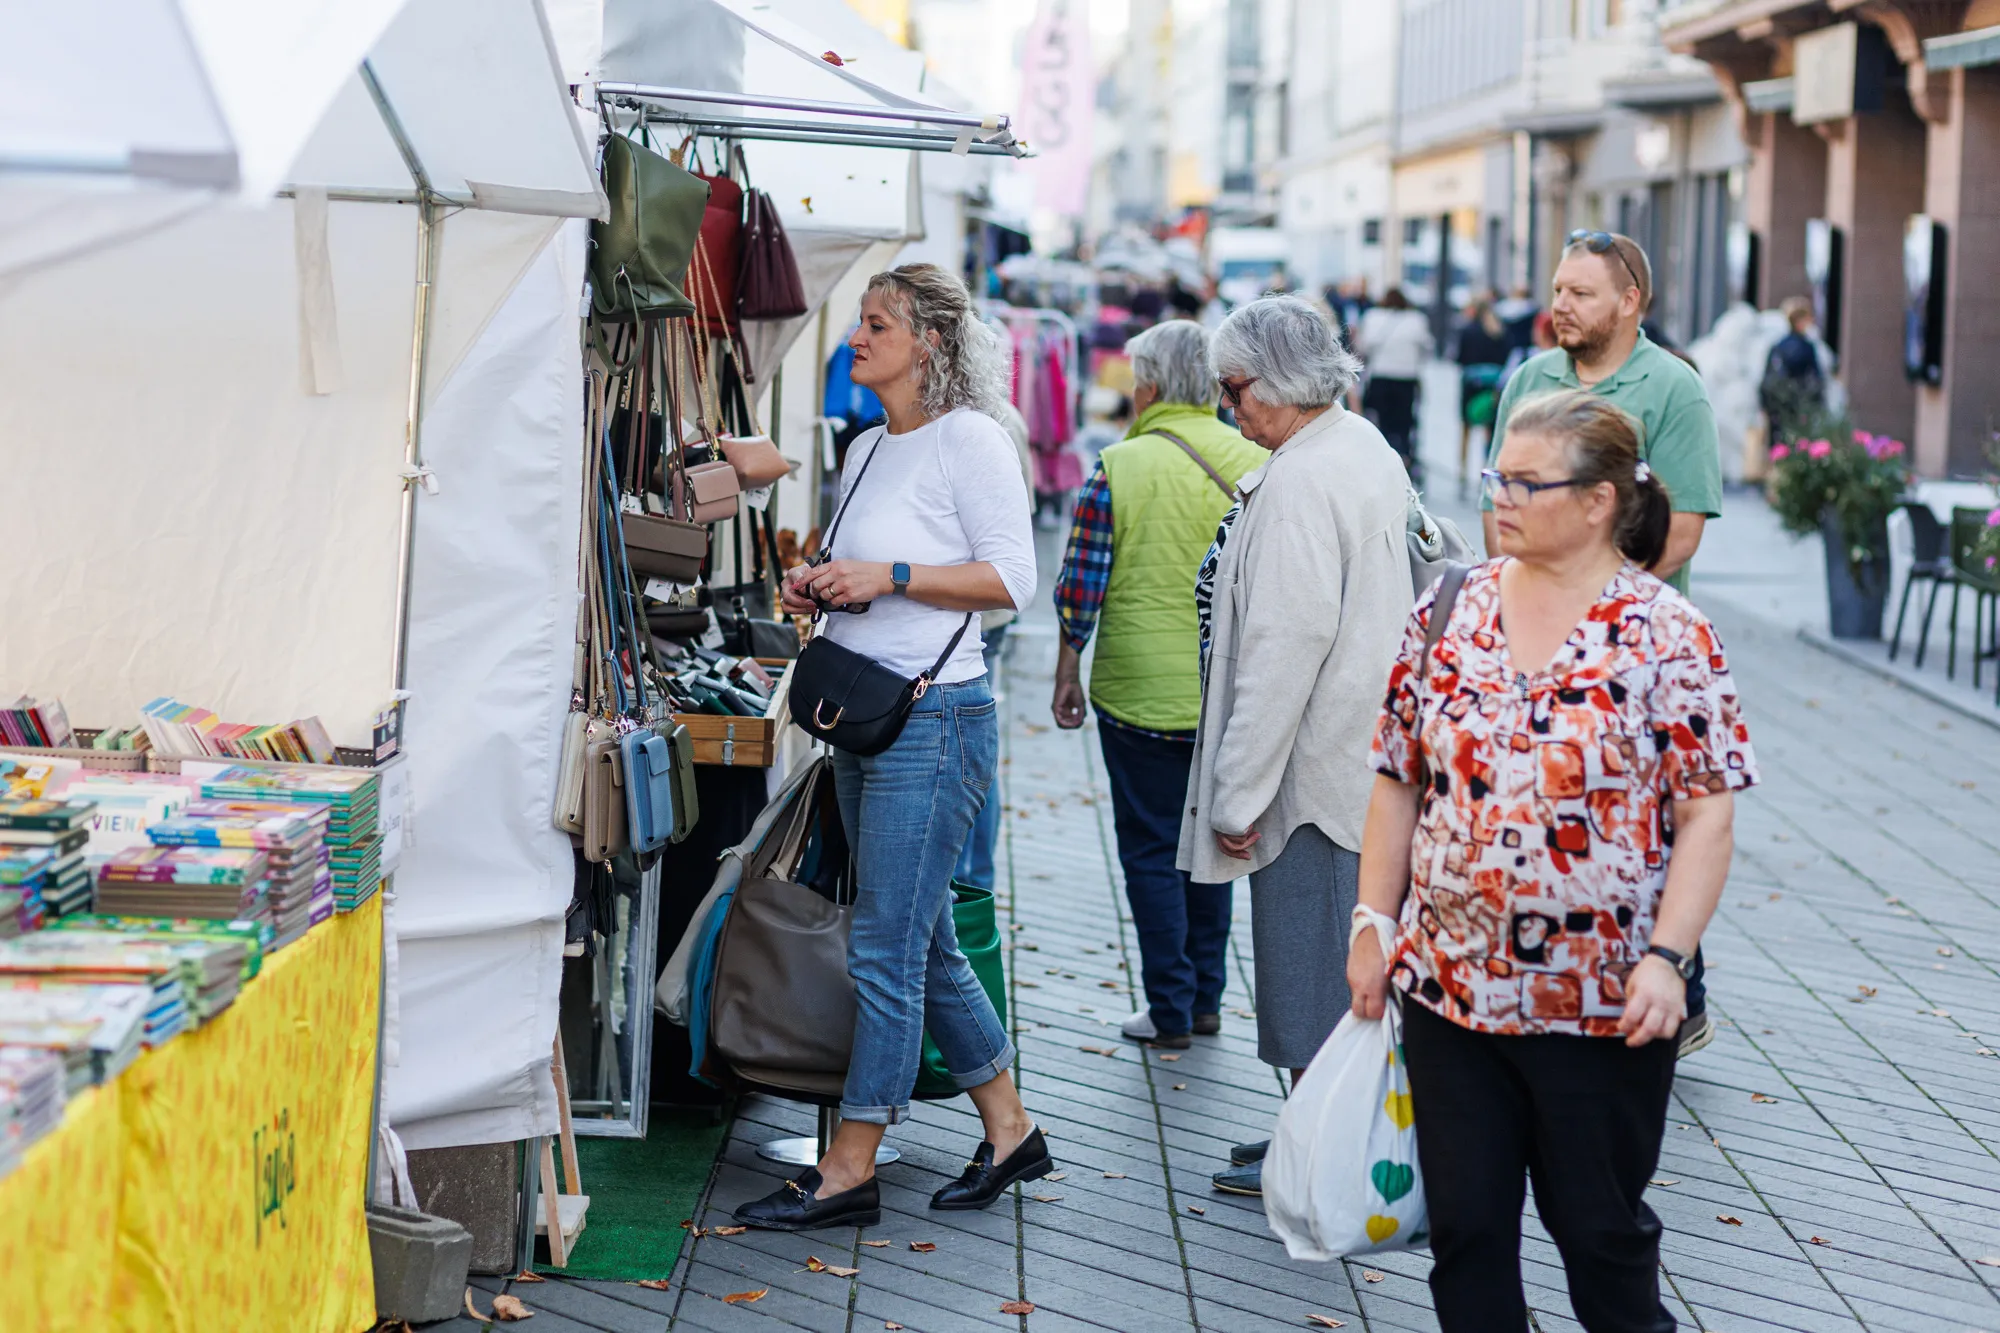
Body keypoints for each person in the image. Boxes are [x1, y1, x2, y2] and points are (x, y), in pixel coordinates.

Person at [1351, 389, 1756, 1332]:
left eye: (1529, 482)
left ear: (1600, 501)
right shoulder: (1449, 607)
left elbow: (1707, 816)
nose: (1502, 496)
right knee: (1468, 1239)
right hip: (1451, 990)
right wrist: (1373, 923)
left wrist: (1669, 956)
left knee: (1601, 1239)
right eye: (1499, 476)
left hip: (1603, 1003)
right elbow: (1397, 780)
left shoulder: (1666, 633)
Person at [738, 264, 1048, 1231]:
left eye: (877, 324)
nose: (857, 337)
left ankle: (851, 1162)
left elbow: (1012, 578)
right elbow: (860, 572)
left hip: (936, 719)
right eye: (861, 322)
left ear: (931, 344)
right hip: (867, 715)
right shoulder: (870, 445)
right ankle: (1011, 1129)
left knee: (884, 943)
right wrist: (821, 585)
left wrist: (895, 573)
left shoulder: (973, 441)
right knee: (923, 940)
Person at [1176, 295, 1415, 1196]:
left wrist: (1237, 794)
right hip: (1359, 757)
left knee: (1310, 974)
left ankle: (1323, 1157)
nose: (1230, 407)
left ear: (1278, 382)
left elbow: (1281, 648)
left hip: (1318, 770)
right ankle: (1313, 1134)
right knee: (1325, 964)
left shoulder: (1303, 480)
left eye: (1235, 388)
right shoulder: (1359, 445)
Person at [1479, 231, 1725, 1055]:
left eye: (1581, 293)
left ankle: (1672, 981)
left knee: (1640, 818)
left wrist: (1592, 601)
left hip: (1630, 655)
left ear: (1630, 302)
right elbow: (1496, 507)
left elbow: (1682, 529)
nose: (1561, 305)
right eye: (1557, 288)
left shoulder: (1673, 389)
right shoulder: (1531, 378)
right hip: (1526, 638)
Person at [1050, 320, 1267, 1051]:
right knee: (1215, 837)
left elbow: (1081, 584)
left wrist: (1065, 670)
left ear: (1147, 385)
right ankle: (1207, 997)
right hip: (1226, 693)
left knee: (1149, 848)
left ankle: (1169, 1007)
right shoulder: (1256, 461)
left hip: (1136, 693)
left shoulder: (1120, 463)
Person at [953, 402, 1035, 893]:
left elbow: (1012, 525)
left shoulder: (992, 424)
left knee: (970, 748)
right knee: (974, 747)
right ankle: (975, 883)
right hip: (984, 614)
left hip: (978, 611)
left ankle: (974, 884)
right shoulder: (1008, 418)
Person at [1353, 287, 1434, 483]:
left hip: (1380, 377)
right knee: (1405, 422)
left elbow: (1363, 347)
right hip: (1406, 378)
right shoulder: (1416, 320)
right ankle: (1404, 458)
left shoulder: (1373, 317)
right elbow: (1427, 349)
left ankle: (1381, 456)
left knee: (1380, 421)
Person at [1453, 294, 1512, 492]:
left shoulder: (1468, 330)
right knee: (1489, 429)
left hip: (1470, 382)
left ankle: (1462, 472)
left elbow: (1459, 358)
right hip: (1492, 384)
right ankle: (1485, 471)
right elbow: (1506, 358)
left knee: (1466, 428)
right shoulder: (1499, 331)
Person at [1759, 296, 1827, 444]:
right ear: (1799, 321)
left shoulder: (1777, 347)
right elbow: (1815, 381)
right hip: (1799, 411)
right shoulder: (1806, 348)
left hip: (1777, 411)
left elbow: (1767, 381)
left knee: (1778, 450)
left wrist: (1765, 405)